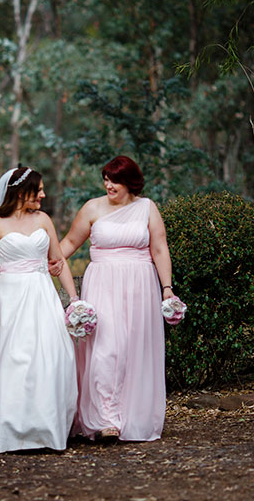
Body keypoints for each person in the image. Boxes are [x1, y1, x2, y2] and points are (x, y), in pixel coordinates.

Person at [0, 167, 78, 453]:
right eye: (40, 190)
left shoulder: (44, 220)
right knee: (13, 359)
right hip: (9, 298)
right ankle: (8, 429)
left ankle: (45, 430)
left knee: (48, 357)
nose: (44, 195)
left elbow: (59, 261)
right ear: (22, 193)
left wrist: (74, 301)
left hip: (42, 295)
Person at [59, 155, 172, 443]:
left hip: (140, 287)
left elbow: (159, 249)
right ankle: (105, 419)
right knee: (105, 350)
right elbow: (70, 243)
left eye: (116, 181)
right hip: (103, 284)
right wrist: (42, 262)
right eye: (107, 179)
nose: (109, 185)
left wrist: (167, 288)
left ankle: (131, 416)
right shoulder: (92, 208)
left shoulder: (147, 208)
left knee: (134, 350)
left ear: (130, 183)